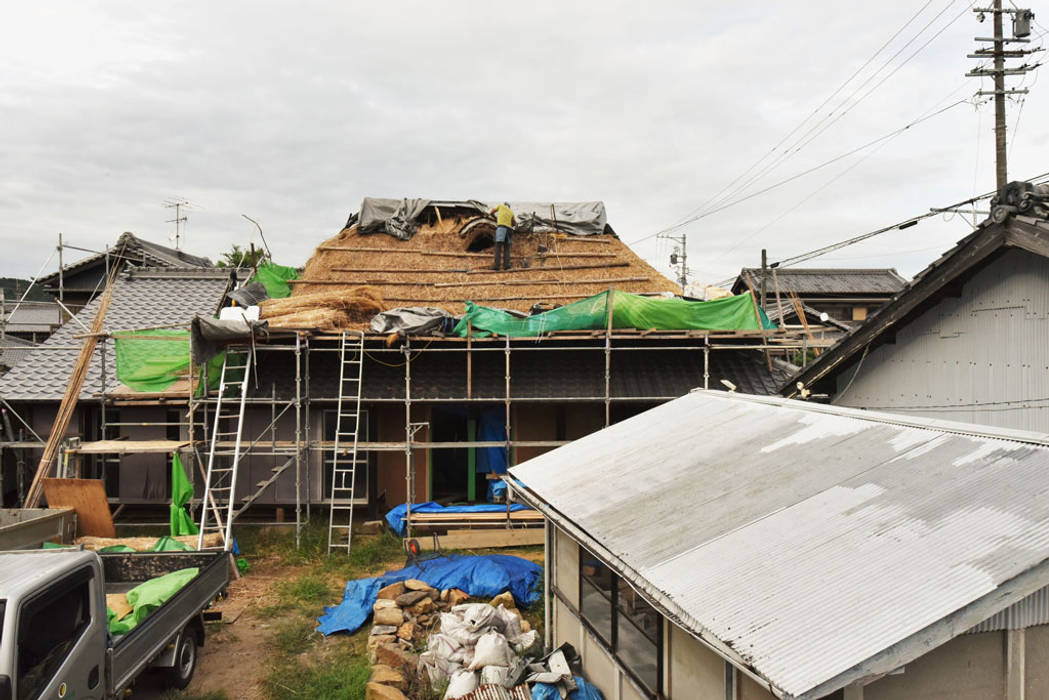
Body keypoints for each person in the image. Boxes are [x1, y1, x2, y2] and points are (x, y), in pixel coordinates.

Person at [489, 202, 515, 270]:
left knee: (498, 247)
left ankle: (496, 266)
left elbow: (491, 212)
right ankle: (507, 266)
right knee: (507, 248)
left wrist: (495, 217)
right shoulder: (511, 212)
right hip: (509, 230)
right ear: (509, 207)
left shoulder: (500, 206)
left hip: (501, 229)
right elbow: (514, 223)